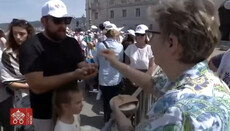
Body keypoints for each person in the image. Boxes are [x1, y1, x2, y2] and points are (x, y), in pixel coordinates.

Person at [100, 0, 230, 130]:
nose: (149, 42)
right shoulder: (215, 83)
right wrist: (115, 62)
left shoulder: (172, 112)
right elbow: (150, 83)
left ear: (171, 42)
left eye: (152, 34)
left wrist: (124, 124)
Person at [19, 0, 97, 131]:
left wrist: (90, 69)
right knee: (15, 123)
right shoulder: (31, 46)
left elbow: (81, 65)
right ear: (44, 21)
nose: (62, 25)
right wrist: (73, 75)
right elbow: (37, 86)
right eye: (57, 20)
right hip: (44, 115)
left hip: (71, 112)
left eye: (66, 20)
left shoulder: (71, 43)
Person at [94, 23, 123, 122]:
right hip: (116, 77)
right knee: (115, 101)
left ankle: (107, 120)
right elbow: (121, 61)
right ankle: (114, 120)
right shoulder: (120, 46)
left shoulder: (100, 45)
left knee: (106, 101)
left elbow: (96, 60)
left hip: (103, 78)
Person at [124, 24, 155, 94]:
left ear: (146, 35)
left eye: (142, 34)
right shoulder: (130, 48)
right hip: (131, 77)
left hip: (145, 78)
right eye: (137, 34)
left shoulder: (150, 48)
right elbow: (127, 65)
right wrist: (132, 79)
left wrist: (142, 80)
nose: (139, 36)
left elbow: (151, 67)